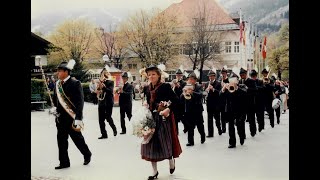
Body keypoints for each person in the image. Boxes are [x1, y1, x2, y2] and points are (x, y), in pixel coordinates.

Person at [141, 65, 182, 180]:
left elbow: (176, 101)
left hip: (163, 119)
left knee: (165, 143)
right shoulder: (147, 88)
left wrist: (168, 109)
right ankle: (154, 172)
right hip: (150, 119)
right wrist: (145, 104)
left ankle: (171, 160)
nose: (151, 76)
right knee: (149, 144)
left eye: (153, 74)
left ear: (158, 75)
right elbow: (147, 101)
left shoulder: (165, 87)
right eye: (149, 74)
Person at [52, 60, 92, 169]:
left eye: (59, 71)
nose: (57, 73)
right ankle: (64, 162)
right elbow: (56, 100)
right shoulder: (57, 84)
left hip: (72, 118)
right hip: (60, 119)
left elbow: (80, 102)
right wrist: (54, 108)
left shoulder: (75, 83)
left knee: (78, 139)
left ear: (66, 71)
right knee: (61, 141)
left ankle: (87, 154)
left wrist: (78, 118)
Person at [220, 77, 247, 148]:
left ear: (236, 83)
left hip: (239, 111)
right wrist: (223, 89)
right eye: (230, 83)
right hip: (230, 110)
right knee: (231, 127)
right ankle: (232, 143)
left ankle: (241, 136)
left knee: (239, 126)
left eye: (233, 83)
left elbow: (244, 94)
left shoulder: (241, 89)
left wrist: (236, 88)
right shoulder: (227, 89)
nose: (231, 84)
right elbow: (220, 96)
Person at [181, 71, 206, 146]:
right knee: (190, 126)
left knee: (200, 125)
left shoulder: (199, 86)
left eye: (192, 79)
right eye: (189, 79)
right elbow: (181, 98)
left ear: (195, 80)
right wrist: (183, 93)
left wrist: (192, 92)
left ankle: (202, 136)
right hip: (189, 110)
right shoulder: (185, 86)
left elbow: (201, 95)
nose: (190, 80)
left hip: (197, 110)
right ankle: (190, 141)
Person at [97, 69, 117, 139]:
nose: (102, 76)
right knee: (100, 119)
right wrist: (98, 88)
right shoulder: (99, 83)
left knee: (108, 117)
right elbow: (98, 91)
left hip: (108, 102)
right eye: (101, 75)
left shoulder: (110, 82)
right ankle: (104, 134)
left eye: (103, 75)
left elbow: (110, 91)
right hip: (101, 102)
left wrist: (104, 87)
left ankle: (114, 129)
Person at [204, 68, 223, 137]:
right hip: (209, 104)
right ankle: (210, 133)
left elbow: (219, 93)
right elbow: (204, 93)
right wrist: (206, 91)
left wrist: (213, 89)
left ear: (214, 76)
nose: (210, 77)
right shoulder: (206, 83)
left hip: (216, 104)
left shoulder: (218, 83)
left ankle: (219, 129)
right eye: (209, 76)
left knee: (217, 118)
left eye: (212, 76)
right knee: (209, 119)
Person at [172, 67, 187, 135]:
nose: (178, 76)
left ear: (181, 76)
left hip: (181, 102)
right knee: (175, 117)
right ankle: (176, 131)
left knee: (181, 117)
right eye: (177, 75)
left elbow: (184, 91)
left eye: (179, 75)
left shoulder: (183, 82)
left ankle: (186, 126)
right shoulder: (173, 82)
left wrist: (179, 87)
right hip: (175, 102)